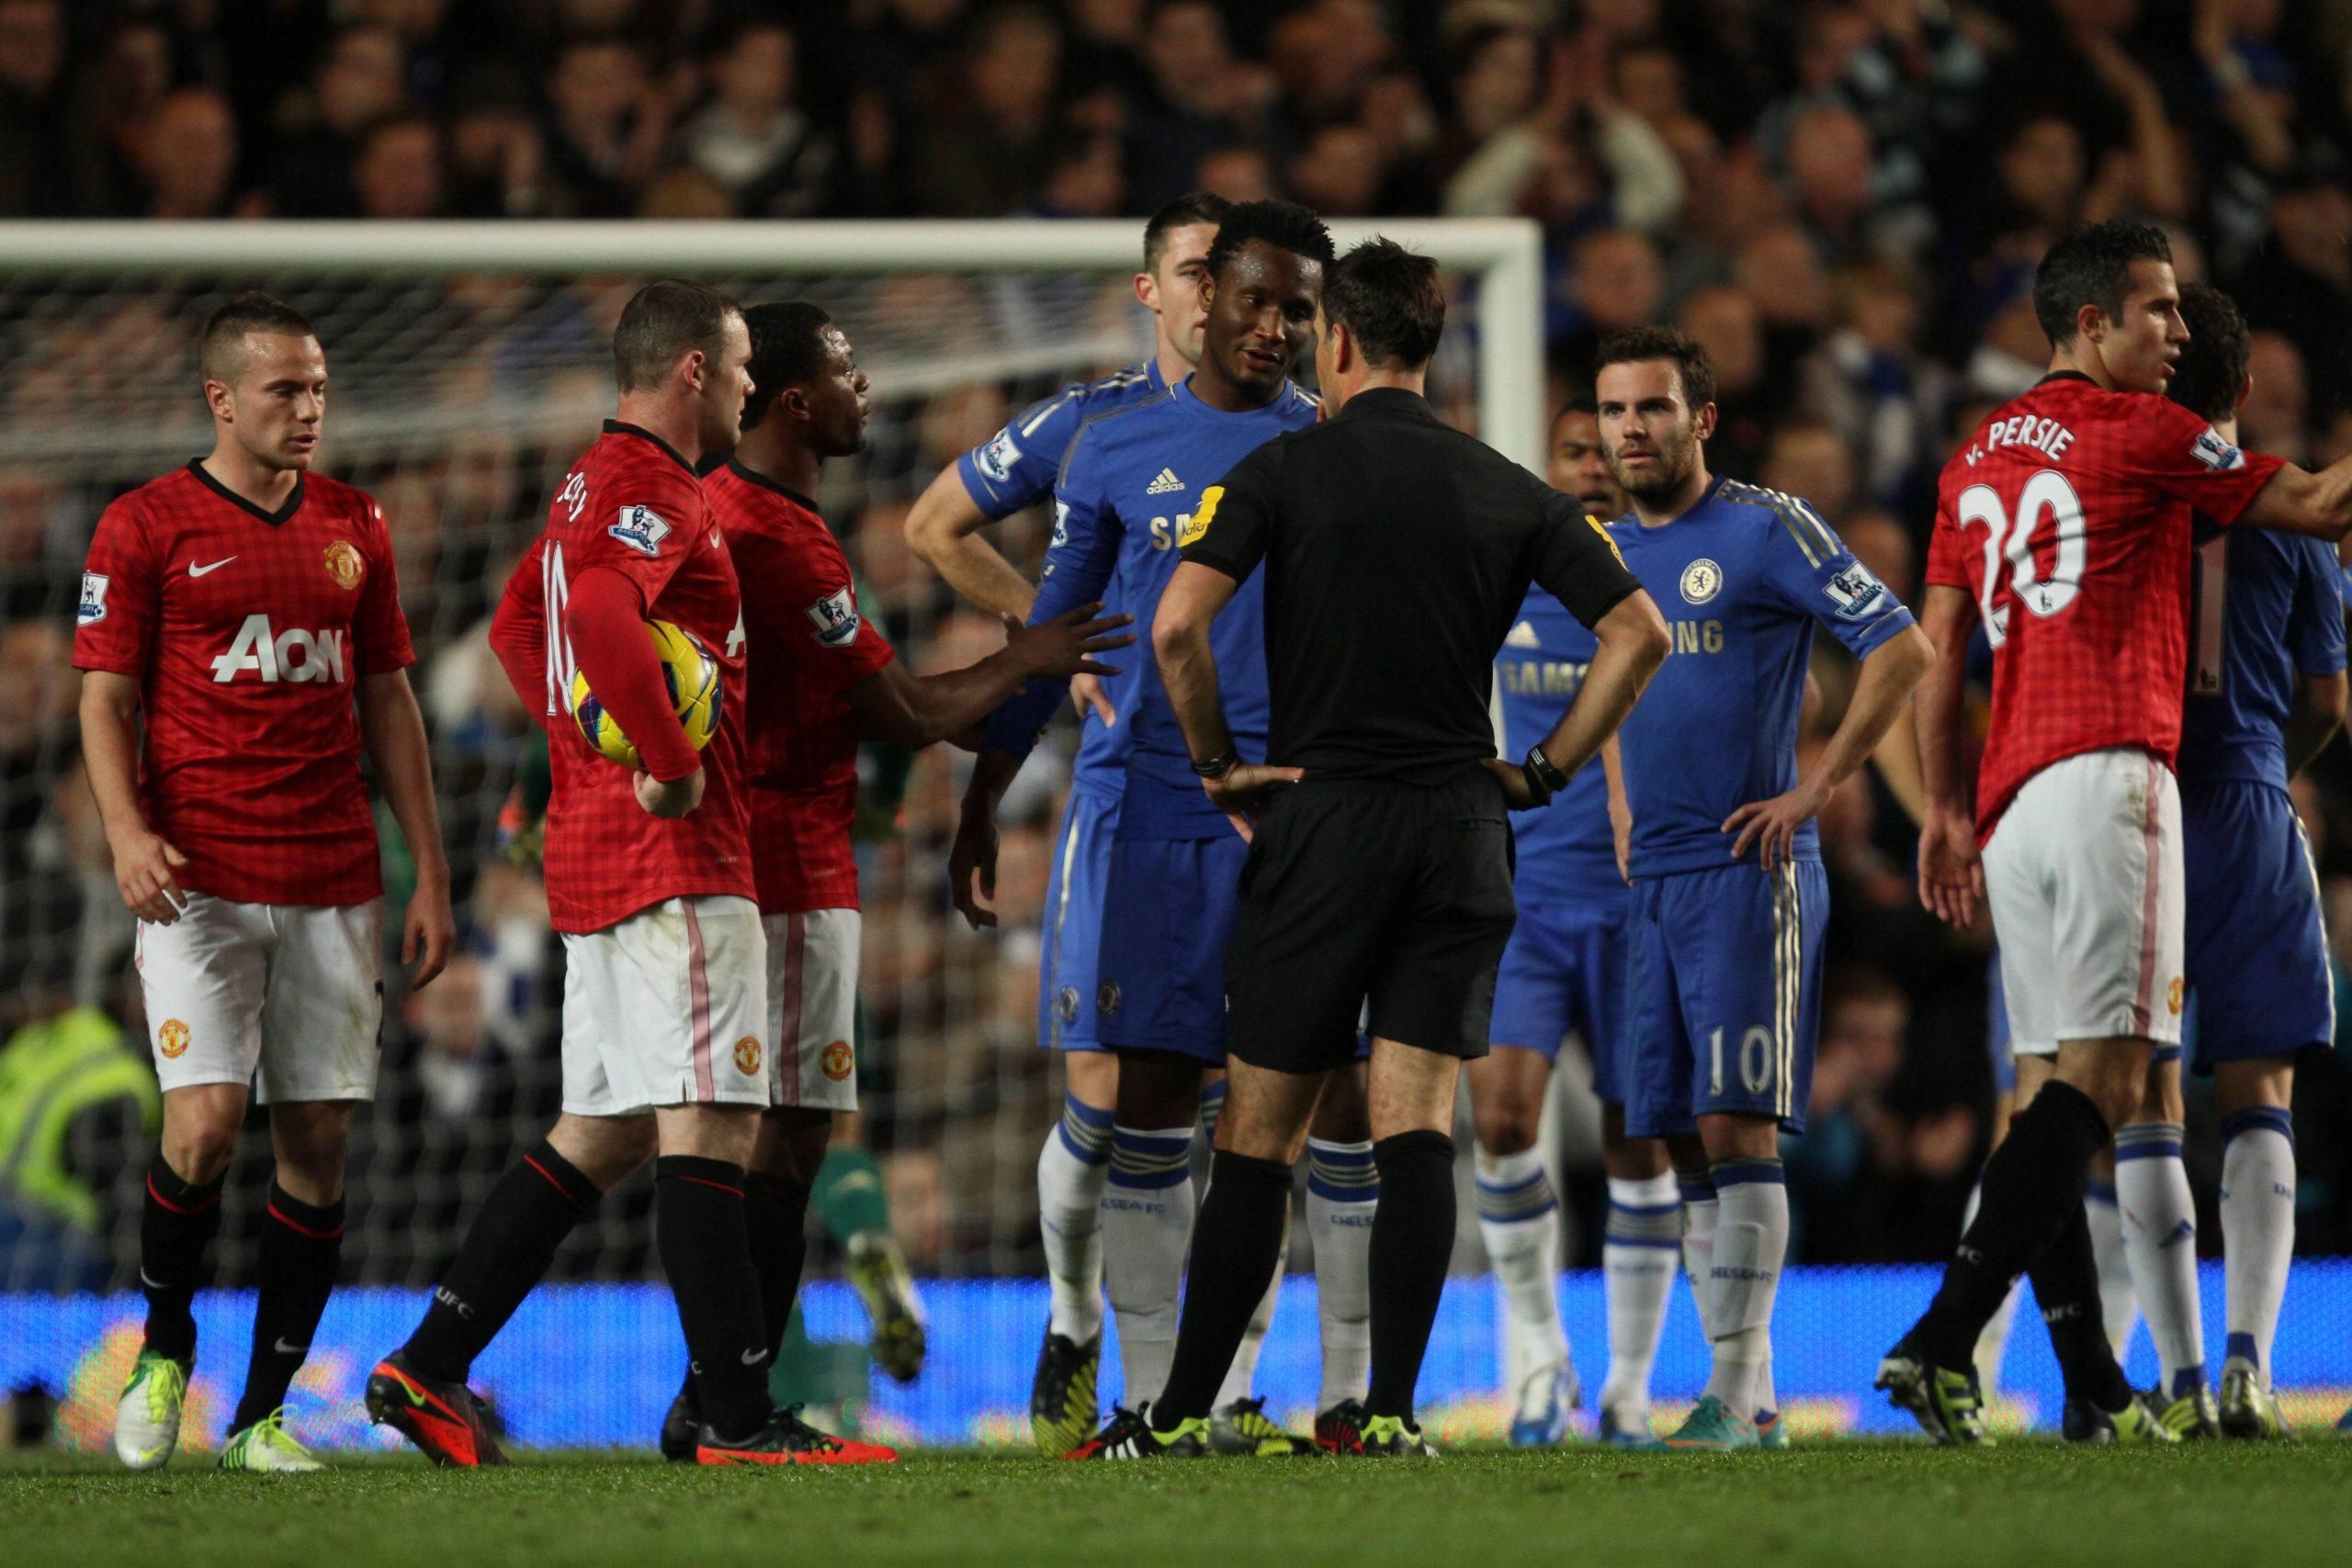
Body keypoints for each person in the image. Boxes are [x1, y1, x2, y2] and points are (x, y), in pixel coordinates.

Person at [1090, 237, 1668, 1460]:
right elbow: (1639, 631)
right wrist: (1549, 768)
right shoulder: (1509, 485)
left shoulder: (1285, 469)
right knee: (1416, 1122)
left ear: (1336, 341)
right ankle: (1386, 1412)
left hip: (1327, 815)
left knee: (1260, 1131)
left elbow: (1178, 624)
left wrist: (1215, 764)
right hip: (1462, 824)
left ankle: (1182, 1413)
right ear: (1431, 340)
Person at [1883, 220, 2352, 1446]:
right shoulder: (2146, 431)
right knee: (2110, 1076)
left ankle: (2094, 1380)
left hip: (2011, 799)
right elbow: (2314, 501)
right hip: (2110, 779)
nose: (2177, 332)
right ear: (2092, 324)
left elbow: (1938, 656)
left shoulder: (1973, 454)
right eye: (2157, 312)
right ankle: (1942, 1338)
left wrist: (1942, 804)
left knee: (2045, 1080)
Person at [655, 301, 1130, 1458]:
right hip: (777, 860)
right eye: (847, 372)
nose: (868, 390)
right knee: (753, 1136)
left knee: (792, 1134)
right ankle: (732, 1400)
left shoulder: (745, 514)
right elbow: (911, 712)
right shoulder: (776, 532)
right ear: (791, 402)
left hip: (784, 850)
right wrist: (1032, 647)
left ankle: (718, 1396)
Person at [368, 280, 829, 1467]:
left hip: (595, 857)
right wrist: (664, 761)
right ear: (688, 373)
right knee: (714, 1120)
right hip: (675, 855)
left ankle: (424, 1363)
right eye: (733, 369)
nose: (742, 388)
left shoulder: (585, 482)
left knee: (604, 1128)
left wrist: (585, 746)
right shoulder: (653, 489)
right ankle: (732, 1418)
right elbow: (606, 623)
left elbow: (527, 625)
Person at [951, 200, 1345, 1458]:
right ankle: (1121, 1366)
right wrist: (980, 800)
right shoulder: (1109, 440)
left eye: (1294, 306)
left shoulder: (1325, 448)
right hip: (1140, 808)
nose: (1270, 323)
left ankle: (1225, 1395)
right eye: (1247, 295)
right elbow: (1045, 633)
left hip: (1279, 821)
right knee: (1129, 1105)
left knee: (1268, 1108)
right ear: (1194, 295)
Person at [77, 292, 454, 1472]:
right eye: (285, 390)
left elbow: (386, 696)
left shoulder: (357, 524)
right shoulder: (145, 526)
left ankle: (261, 1419)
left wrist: (430, 874)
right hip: (196, 879)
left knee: (320, 1148)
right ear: (221, 400)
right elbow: (104, 699)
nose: (309, 410)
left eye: (320, 390)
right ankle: (164, 1345)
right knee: (204, 1123)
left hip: (335, 878)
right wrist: (128, 832)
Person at [904, 193, 1240, 1453]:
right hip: (1127, 791)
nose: (1216, 294)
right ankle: (1070, 1323)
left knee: (1211, 1098)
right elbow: (933, 524)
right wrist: (1047, 639)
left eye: (1233, 274)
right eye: (1195, 271)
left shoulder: (1303, 432)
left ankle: (1185, 1382)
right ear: (1150, 292)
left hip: (1258, 797)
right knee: (1102, 1098)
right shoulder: (1094, 420)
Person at [1594, 326, 1934, 1451]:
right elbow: (1614, 675)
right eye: (1613, 411)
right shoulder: (1599, 548)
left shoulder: (1763, 525)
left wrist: (1818, 783)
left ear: (1700, 418)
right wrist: (1615, 795)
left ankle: (1735, 1397)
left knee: (1737, 1127)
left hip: (1751, 874)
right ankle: (1751, 1394)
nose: (1629, 429)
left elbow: (1900, 649)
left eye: (1650, 408)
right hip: (1654, 882)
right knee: (1682, 1136)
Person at [2128, 281, 2340, 1440]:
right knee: (2262, 1089)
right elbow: (2327, 699)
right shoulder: (2291, 513)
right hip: (2252, 807)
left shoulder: (2123, 493)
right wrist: (2270, 763)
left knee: (2147, 1094)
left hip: (2139, 803)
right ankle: (2256, 1364)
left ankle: (2179, 1379)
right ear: (2245, 391)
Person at [1475, 398, 1680, 1447]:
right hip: (1520, 906)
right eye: (1574, 453)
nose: (1594, 469)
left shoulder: (1668, 587)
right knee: (1503, 1119)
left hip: (1634, 903)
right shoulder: (1500, 579)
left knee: (1639, 1142)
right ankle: (1541, 1360)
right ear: (1547, 467)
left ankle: (1631, 1387)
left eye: (1608, 454)